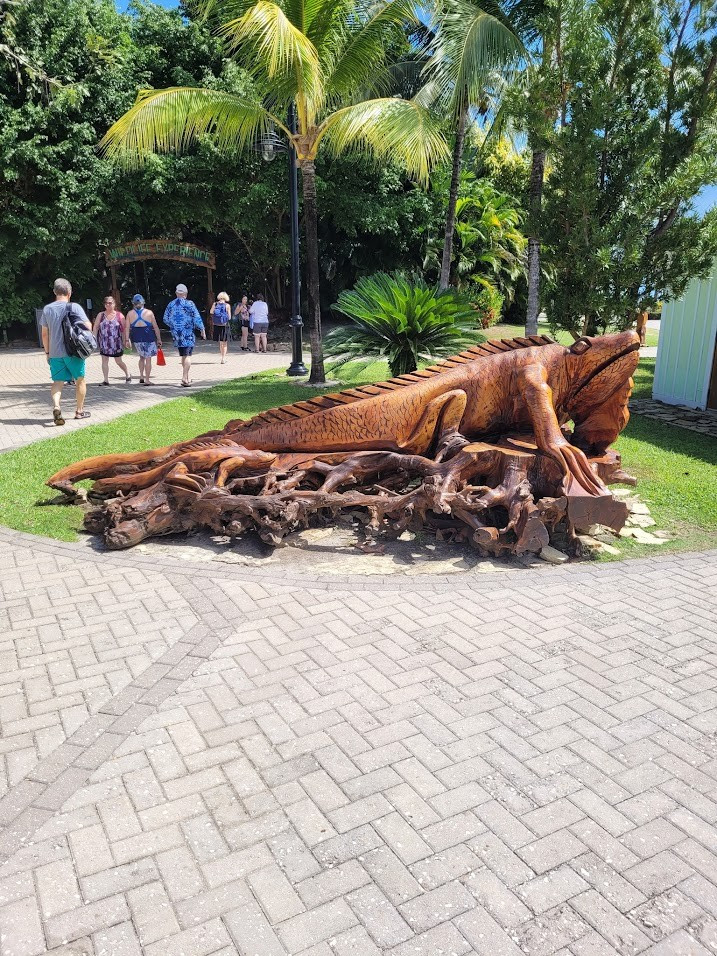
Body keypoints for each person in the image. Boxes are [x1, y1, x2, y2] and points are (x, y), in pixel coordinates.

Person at [40, 278, 92, 425]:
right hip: (73, 352)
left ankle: (56, 406)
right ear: (69, 292)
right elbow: (88, 326)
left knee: (57, 382)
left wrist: (47, 353)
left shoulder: (47, 309)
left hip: (55, 353)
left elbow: (44, 334)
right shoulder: (74, 307)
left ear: (55, 292)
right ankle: (79, 411)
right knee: (80, 380)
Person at [163, 283, 206, 387]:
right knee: (187, 355)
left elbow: (165, 319)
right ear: (185, 294)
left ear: (176, 293)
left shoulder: (171, 304)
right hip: (187, 333)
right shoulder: (189, 304)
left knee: (183, 355)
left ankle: (186, 376)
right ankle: (184, 378)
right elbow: (196, 317)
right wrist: (202, 329)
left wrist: (173, 326)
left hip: (176, 334)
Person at [93, 296, 131, 385]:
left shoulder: (119, 315)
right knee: (104, 361)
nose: (108, 305)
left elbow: (125, 328)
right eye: (106, 303)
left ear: (114, 304)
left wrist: (126, 339)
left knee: (118, 361)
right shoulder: (101, 315)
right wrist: (93, 338)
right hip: (104, 343)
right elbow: (96, 327)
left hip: (116, 343)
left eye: (110, 303)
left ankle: (127, 374)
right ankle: (106, 380)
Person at [127, 294, 163, 385]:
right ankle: (147, 379)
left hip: (137, 338)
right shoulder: (149, 313)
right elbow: (155, 327)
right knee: (148, 359)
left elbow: (127, 328)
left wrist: (127, 340)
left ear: (133, 303)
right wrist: (159, 339)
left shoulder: (130, 314)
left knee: (141, 357)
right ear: (143, 302)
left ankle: (141, 376)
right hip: (148, 337)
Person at [210, 291, 231, 363]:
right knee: (224, 343)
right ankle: (223, 358)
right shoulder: (227, 305)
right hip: (224, 325)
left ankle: (221, 356)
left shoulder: (215, 304)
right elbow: (230, 317)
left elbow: (211, 312)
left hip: (216, 325)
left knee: (220, 343)